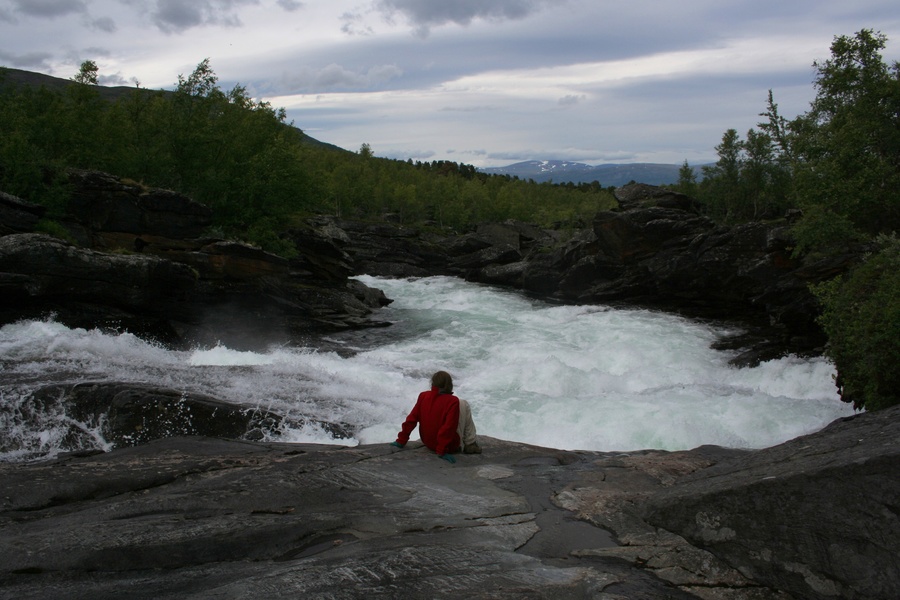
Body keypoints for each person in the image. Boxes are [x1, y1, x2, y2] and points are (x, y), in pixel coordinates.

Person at [391, 371, 481, 463]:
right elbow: (448, 427)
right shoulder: (453, 401)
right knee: (463, 403)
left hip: (428, 442)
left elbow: (411, 419)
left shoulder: (423, 396)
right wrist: (441, 450)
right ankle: (470, 443)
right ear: (449, 384)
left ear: (433, 383)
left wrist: (401, 440)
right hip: (448, 447)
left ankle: (468, 443)